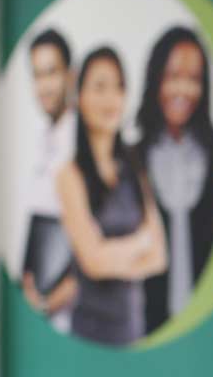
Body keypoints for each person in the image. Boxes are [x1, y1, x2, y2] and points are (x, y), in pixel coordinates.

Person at [56, 46, 167, 347]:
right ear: (79, 97)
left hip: (133, 327)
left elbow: (159, 256)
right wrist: (139, 243)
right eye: (100, 87)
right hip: (91, 331)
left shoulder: (134, 163)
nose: (112, 99)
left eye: (119, 87)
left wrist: (112, 253)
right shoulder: (69, 174)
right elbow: (93, 262)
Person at [136, 26, 213, 332]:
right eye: (173, 76)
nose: (183, 90)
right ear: (156, 79)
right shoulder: (134, 156)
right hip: (149, 322)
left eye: (193, 80)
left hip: (212, 317)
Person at [21, 28, 80, 329]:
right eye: (37, 75)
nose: (44, 86)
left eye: (51, 73)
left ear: (71, 75)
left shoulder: (84, 143)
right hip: (40, 307)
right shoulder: (43, 139)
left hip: (71, 315)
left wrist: (50, 302)